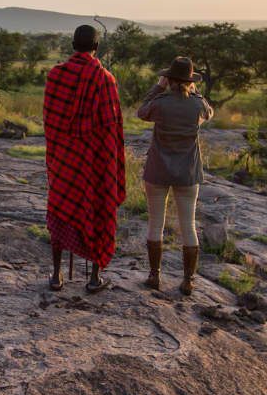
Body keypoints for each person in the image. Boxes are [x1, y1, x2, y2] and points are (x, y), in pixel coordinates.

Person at [42, 24, 126, 292]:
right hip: (94, 164)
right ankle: (93, 279)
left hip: (64, 162)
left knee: (60, 211)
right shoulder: (106, 80)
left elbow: (50, 122)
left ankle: (56, 277)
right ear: (96, 48)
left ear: (72, 46)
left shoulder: (56, 75)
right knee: (98, 209)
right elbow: (112, 128)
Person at [136, 56, 214, 295]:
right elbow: (209, 112)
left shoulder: (160, 102)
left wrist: (158, 87)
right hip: (188, 172)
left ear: (168, 79)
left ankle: (154, 276)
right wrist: (194, 91)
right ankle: (188, 280)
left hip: (158, 169)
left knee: (155, 223)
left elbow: (141, 112)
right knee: (188, 225)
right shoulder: (198, 105)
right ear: (190, 81)